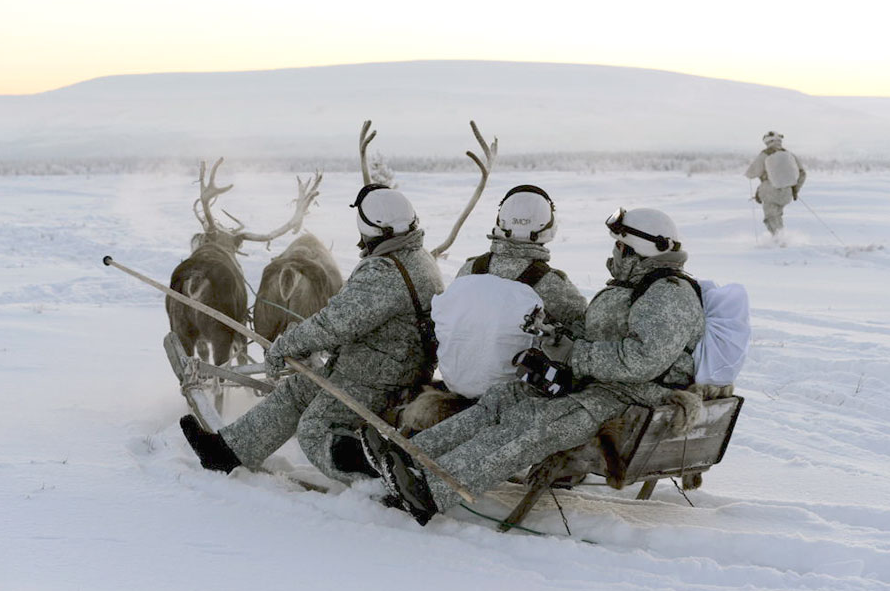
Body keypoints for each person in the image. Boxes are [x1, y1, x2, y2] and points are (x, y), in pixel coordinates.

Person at [361, 207, 705, 525]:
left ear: (637, 250)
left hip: (629, 397)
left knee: (531, 426)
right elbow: (597, 333)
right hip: (596, 385)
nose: (614, 252)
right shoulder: (634, 285)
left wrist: (575, 353)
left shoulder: (668, 295)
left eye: (619, 245)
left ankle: (431, 490)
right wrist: (557, 335)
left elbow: (641, 360)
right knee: (502, 399)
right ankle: (409, 457)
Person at [179, 184, 444, 484]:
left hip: (377, 378)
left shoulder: (383, 272)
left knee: (316, 429)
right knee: (298, 389)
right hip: (387, 365)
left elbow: (333, 324)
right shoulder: (416, 257)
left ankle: (387, 479)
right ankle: (228, 451)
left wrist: (284, 347)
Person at [458, 184, 587, 325]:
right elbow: (584, 329)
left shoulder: (468, 270)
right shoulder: (553, 285)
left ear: (500, 222)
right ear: (549, 226)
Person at [745, 131, 807, 237]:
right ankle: (782, 239)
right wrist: (795, 190)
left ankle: (778, 241)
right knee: (778, 215)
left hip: (770, 190)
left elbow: (751, 173)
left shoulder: (765, 154)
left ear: (767, 141)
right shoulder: (789, 154)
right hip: (787, 193)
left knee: (771, 217)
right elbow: (802, 173)